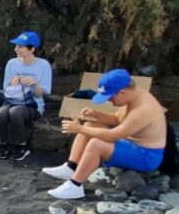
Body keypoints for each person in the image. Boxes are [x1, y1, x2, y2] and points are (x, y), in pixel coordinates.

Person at [44, 69, 167, 200]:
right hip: (131, 143)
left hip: (146, 156)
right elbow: (117, 119)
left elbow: (112, 136)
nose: (110, 102)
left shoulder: (143, 110)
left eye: (110, 97)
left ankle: (75, 186)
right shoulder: (133, 96)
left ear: (121, 92)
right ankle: (71, 167)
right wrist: (95, 114)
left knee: (96, 144)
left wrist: (78, 129)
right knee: (90, 125)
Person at [0, 31, 53, 161]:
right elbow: (5, 90)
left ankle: (21, 146)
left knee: (15, 112)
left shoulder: (43, 65)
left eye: (20, 46)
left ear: (31, 49)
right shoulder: (12, 63)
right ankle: (3, 145)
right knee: (1, 112)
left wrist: (34, 83)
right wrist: (12, 83)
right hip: (12, 101)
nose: (16, 49)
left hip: (33, 105)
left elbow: (41, 94)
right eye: (16, 46)